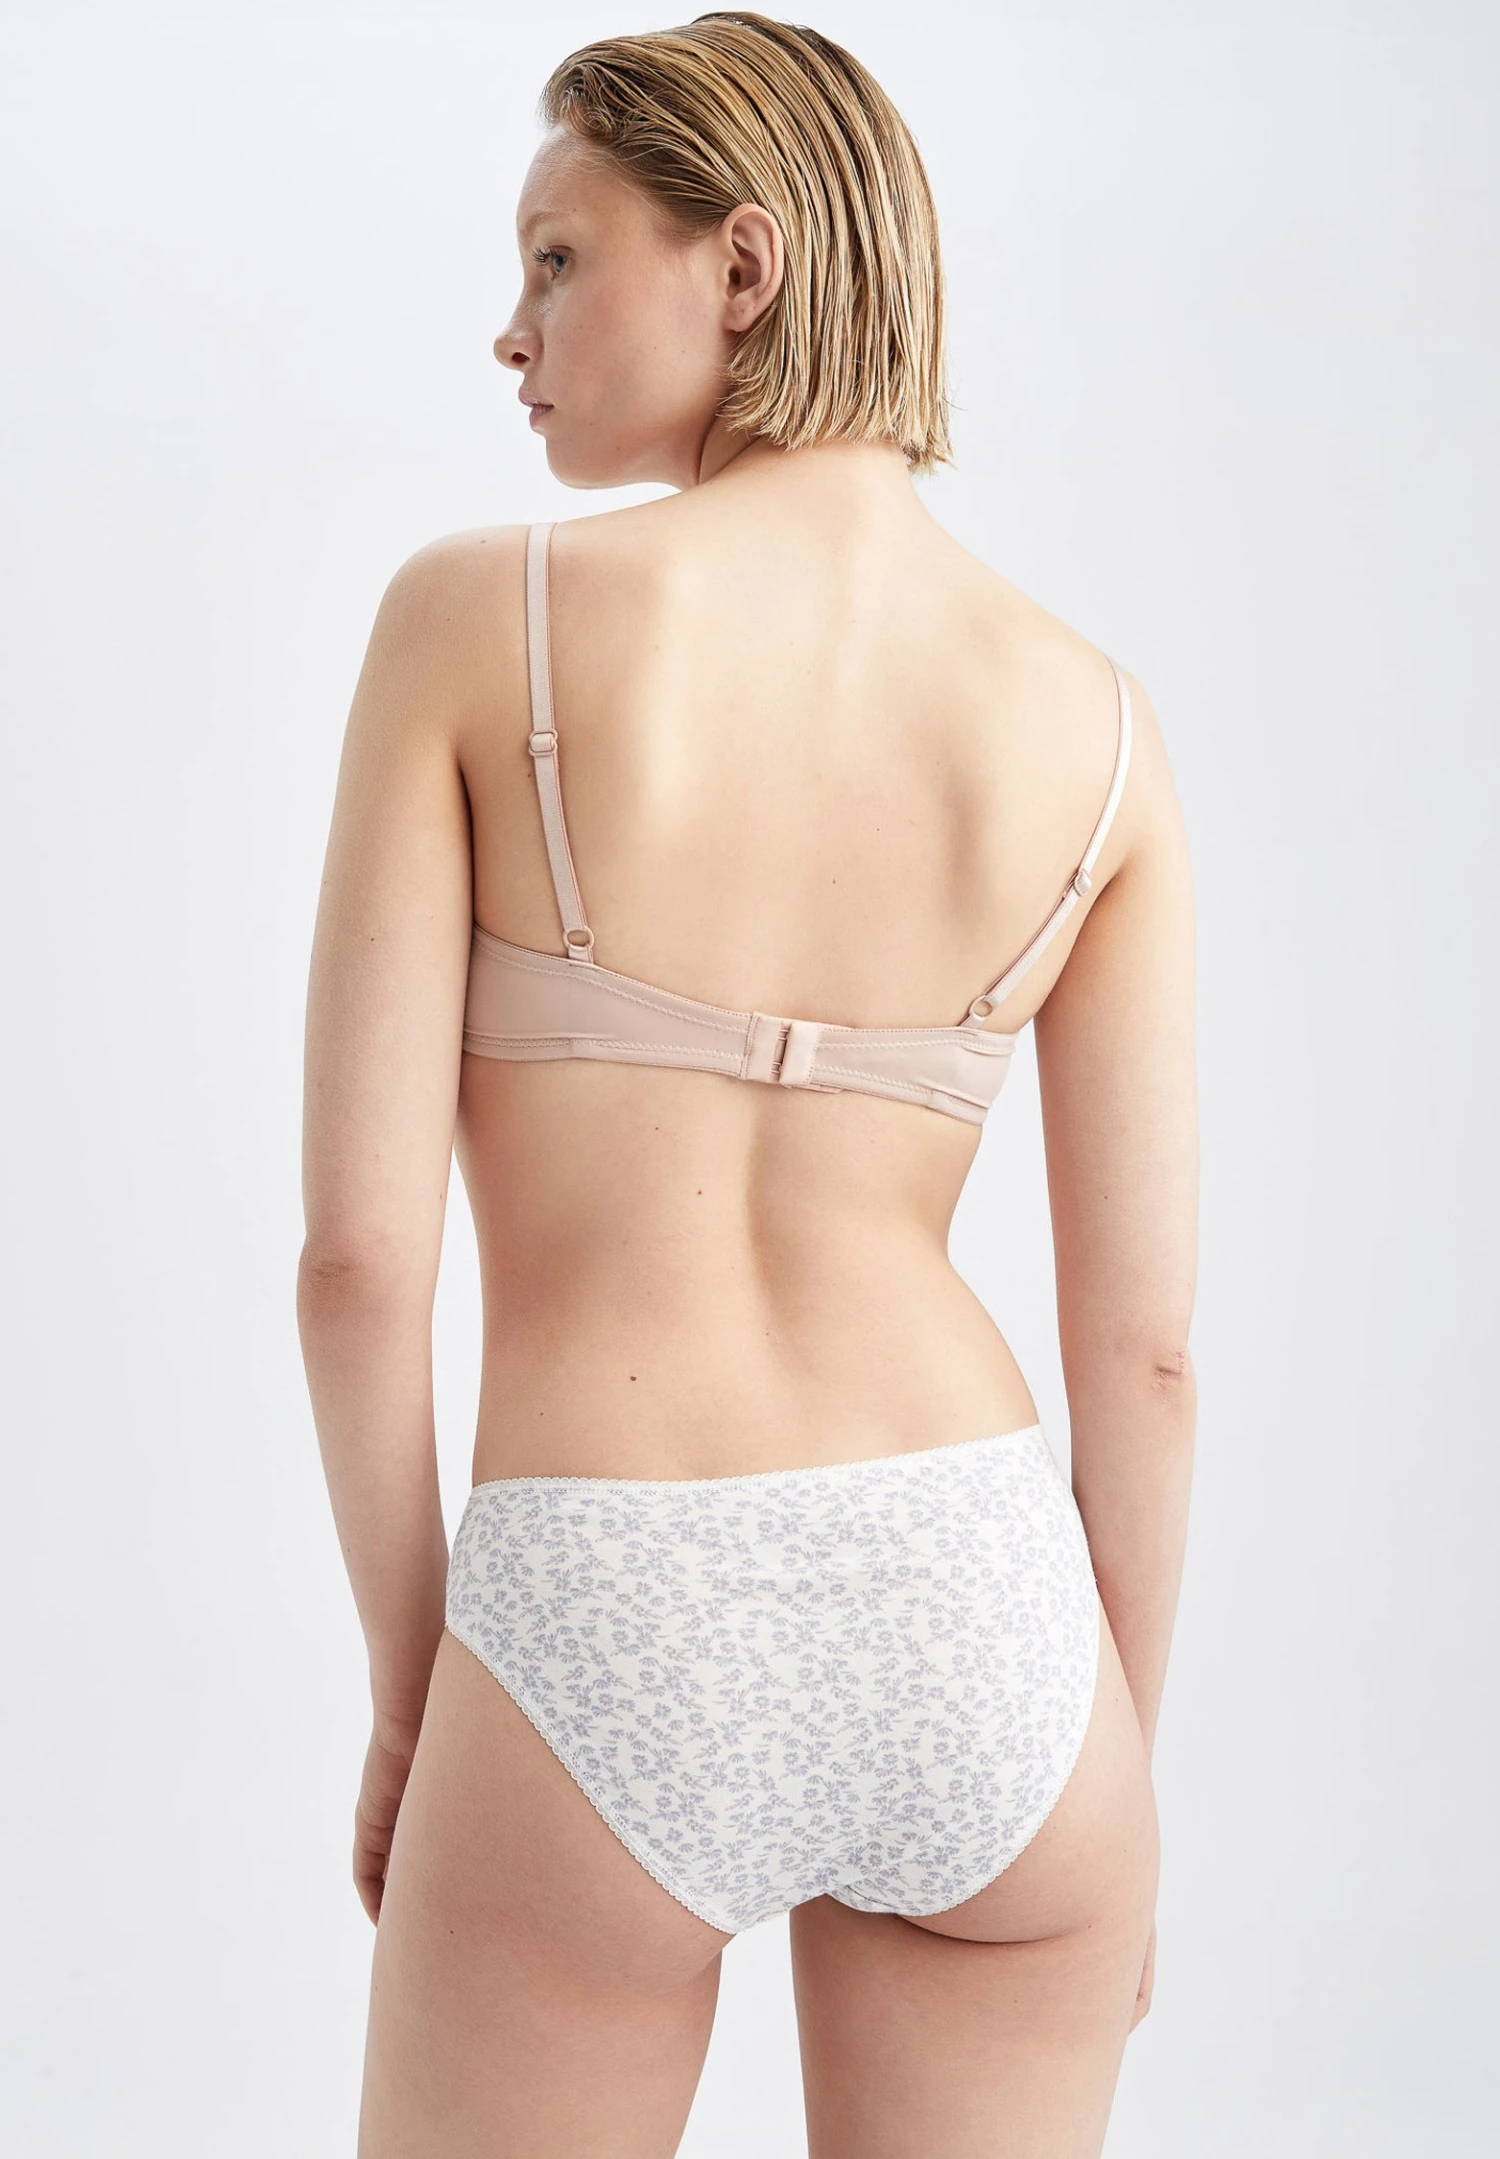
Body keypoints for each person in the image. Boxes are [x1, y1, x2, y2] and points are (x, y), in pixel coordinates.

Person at [297, 12, 1197, 2155]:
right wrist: (1112, 1763)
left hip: (607, 1594)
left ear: (747, 263)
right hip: (991, 1614)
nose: (511, 330)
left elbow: (355, 1265)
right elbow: (1149, 1354)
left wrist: (425, 1693)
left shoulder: (479, 623)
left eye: (556, 257)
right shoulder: (1098, 724)